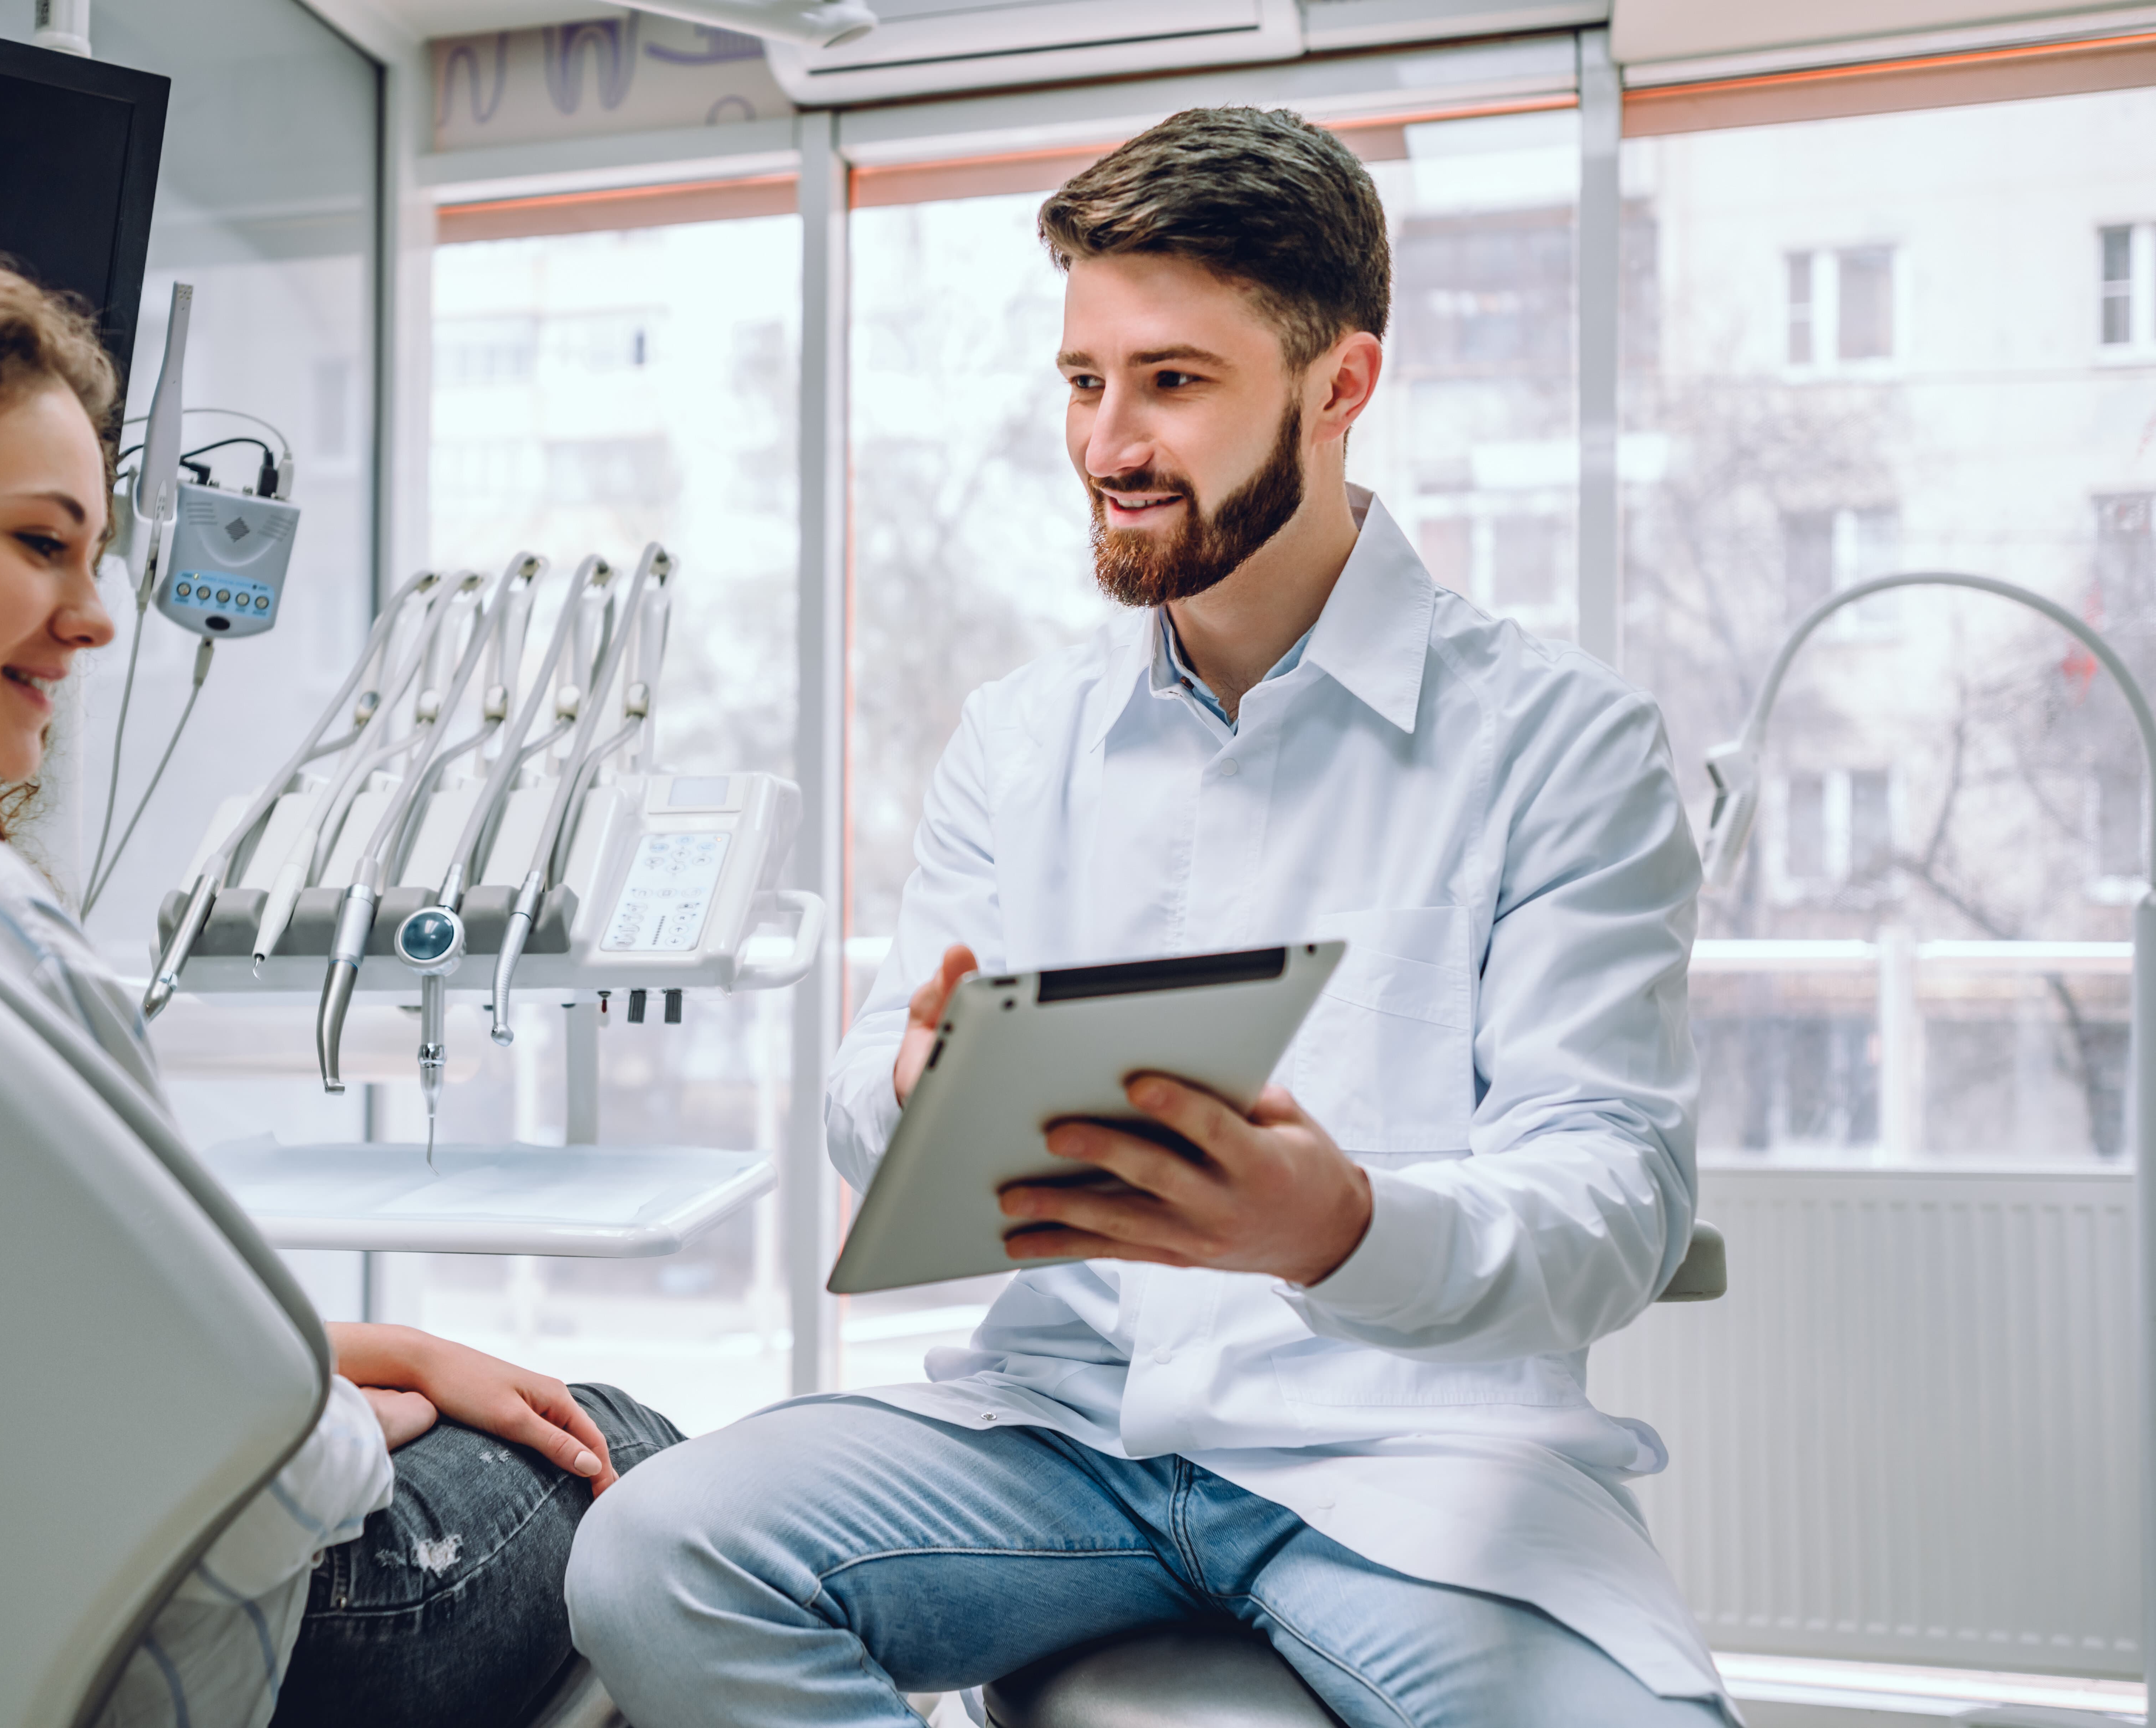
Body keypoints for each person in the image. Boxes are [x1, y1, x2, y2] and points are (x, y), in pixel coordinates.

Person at [565, 107, 1728, 1727]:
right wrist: (911, 1090)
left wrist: (1332, 1228)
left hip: (1409, 1458)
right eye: (1082, 381)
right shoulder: (1017, 735)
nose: (1109, 441)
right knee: (652, 1557)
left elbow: (1614, 1201)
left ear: (1338, 388)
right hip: (1068, 1438)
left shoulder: (1562, 743)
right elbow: (859, 1093)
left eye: (1172, 382)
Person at [0, 236, 682, 1728]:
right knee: (633, 1449)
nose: (92, 619)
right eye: (38, 544)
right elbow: (288, 1486)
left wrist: (359, 1349)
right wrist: (353, 1409)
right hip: (128, 1663)